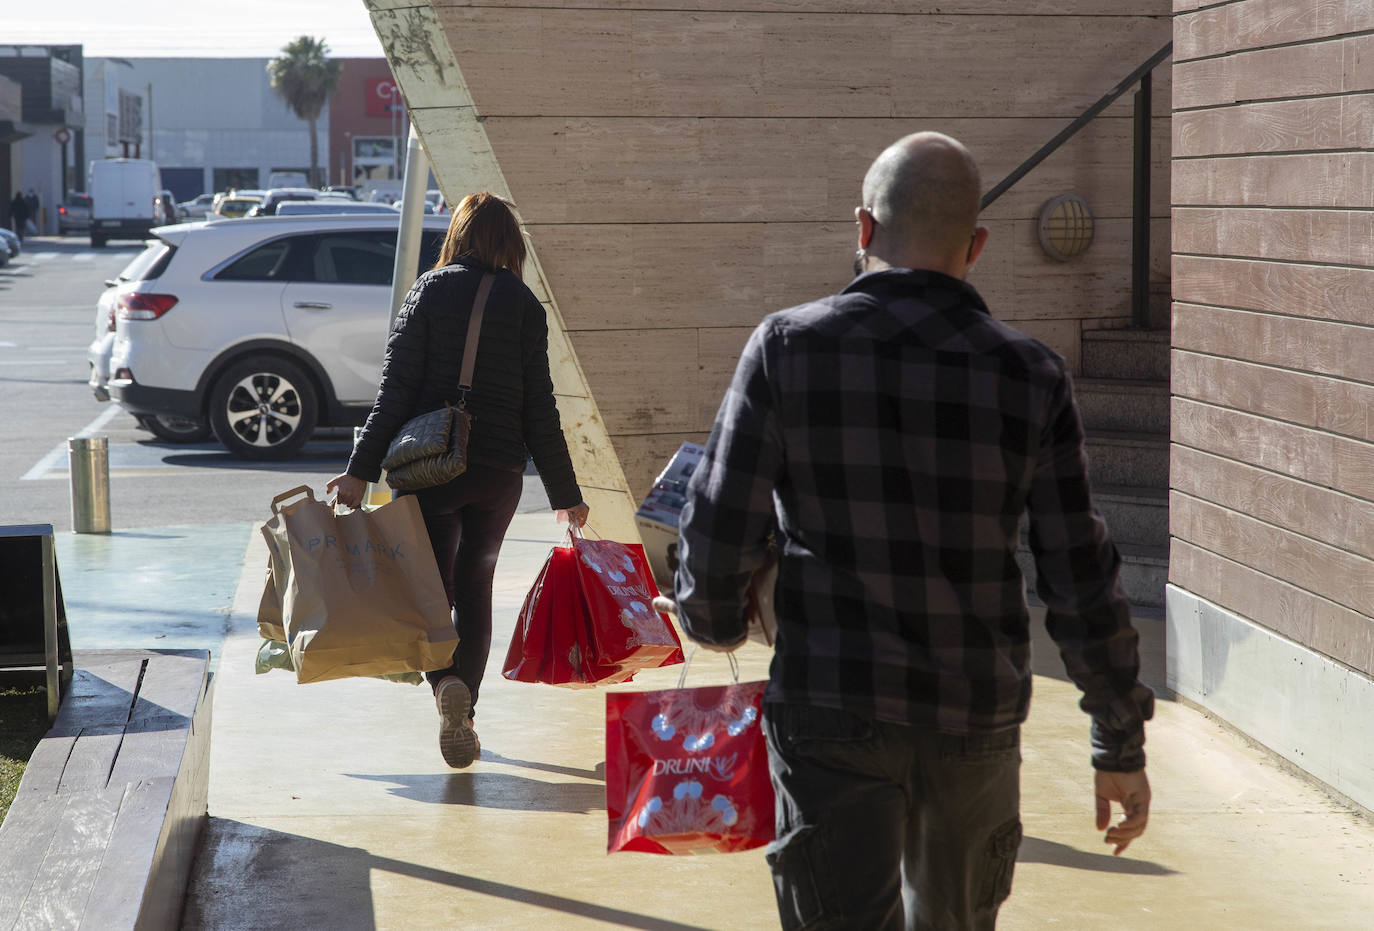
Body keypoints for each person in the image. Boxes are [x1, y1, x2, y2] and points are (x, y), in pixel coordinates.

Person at [673, 132, 1154, 929]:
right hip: (976, 715)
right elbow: (1080, 571)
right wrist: (1118, 740)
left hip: (832, 704)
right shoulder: (1030, 375)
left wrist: (720, 620)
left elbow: (719, 530)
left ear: (862, 229)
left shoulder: (788, 348)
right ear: (977, 244)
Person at [328, 191, 590, 769]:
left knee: (431, 592)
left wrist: (359, 471)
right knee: (476, 589)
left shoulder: (429, 290)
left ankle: (444, 683)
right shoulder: (524, 305)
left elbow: (393, 392)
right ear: (509, 243)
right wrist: (566, 495)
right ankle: (465, 708)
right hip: (498, 473)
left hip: (429, 470)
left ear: (461, 234)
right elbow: (540, 408)